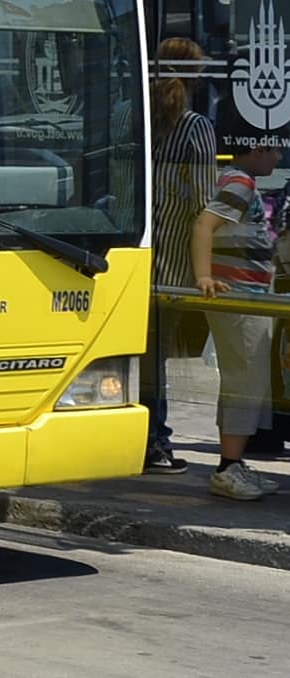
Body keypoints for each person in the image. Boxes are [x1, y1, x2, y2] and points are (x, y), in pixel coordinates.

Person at [190, 99, 286, 502]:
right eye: (275, 148)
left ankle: (236, 462)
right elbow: (204, 225)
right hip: (240, 297)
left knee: (248, 381)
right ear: (257, 147)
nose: (280, 156)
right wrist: (205, 276)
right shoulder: (240, 183)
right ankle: (228, 468)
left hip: (248, 296)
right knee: (244, 383)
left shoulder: (233, 179)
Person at [144, 37, 215, 474]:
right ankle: (155, 442)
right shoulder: (195, 128)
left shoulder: (128, 116)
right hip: (171, 264)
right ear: (194, 76)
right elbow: (203, 205)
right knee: (156, 359)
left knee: (135, 354)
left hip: (127, 254)